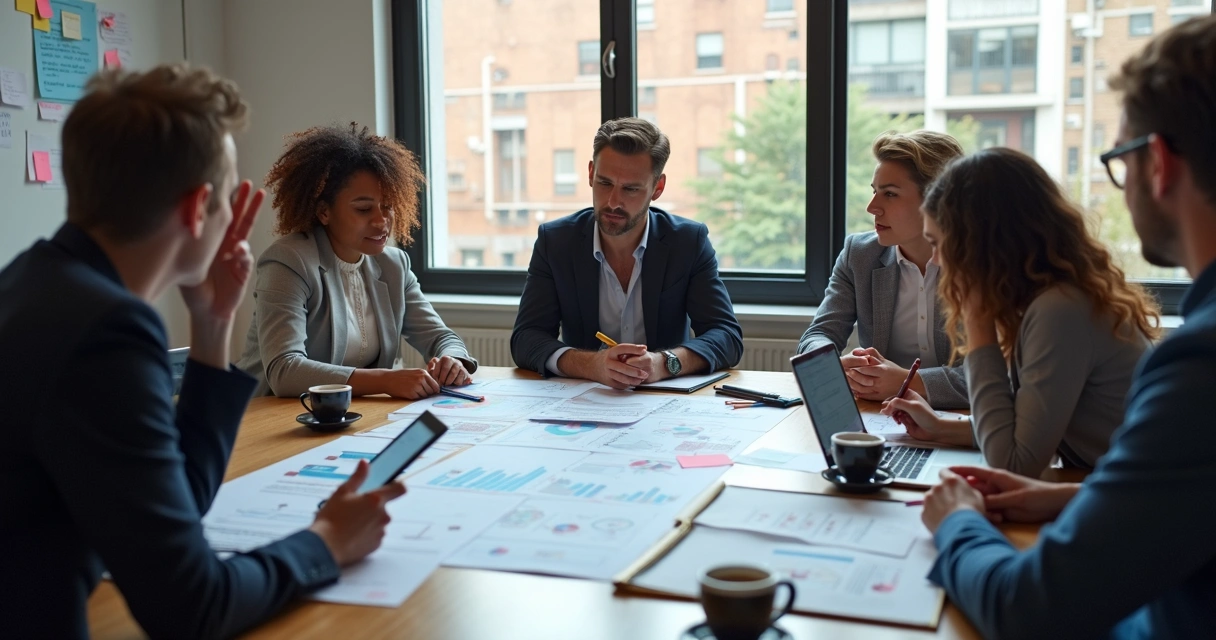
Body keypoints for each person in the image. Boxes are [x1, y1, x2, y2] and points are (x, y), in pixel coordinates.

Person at [0, 65, 405, 639]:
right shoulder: (107, 334)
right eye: (228, 194)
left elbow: (175, 504)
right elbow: (193, 607)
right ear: (197, 211)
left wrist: (212, 325)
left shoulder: (30, 281)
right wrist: (325, 543)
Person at [918, 15, 1216, 638]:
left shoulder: (1196, 360)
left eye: (1118, 158)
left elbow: (1027, 606)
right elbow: (1178, 499)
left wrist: (957, 522)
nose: (938, 263)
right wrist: (1065, 498)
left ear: (1157, 162)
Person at [881, 147, 1158, 477]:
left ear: (981, 244)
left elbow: (1015, 463)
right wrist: (940, 428)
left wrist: (978, 324)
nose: (937, 260)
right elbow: (1026, 431)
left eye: (939, 243)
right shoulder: (1049, 299)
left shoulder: (1060, 311)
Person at [237, 124, 477, 400]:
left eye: (387, 206)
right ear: (324, 212)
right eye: (363, 209)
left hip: (350, 416)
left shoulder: (394, 264)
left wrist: (453, 360)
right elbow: (284, 371)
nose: (381, 221)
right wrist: (385, 380)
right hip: (269, 420)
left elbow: (439, 337)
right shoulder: (289, 262)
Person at [511, 117, 743, 388]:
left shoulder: (688, 242)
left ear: (657, 188)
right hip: (584, 402)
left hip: (664, 402)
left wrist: (664, 363)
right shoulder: (556, 241)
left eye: (630, 189)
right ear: (590, 174)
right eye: (605, 183)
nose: (613, 202)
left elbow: (727, 336)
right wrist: (592, 365)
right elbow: (526, 338)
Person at [798, 131, 969, 409]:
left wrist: (907, 382)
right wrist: (831, 366)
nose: (872, 207)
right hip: (883, 416)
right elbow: (818, 335)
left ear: (939, 200)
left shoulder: (982, 265)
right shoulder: (860, 254)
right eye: (874, 191)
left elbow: (994, 378)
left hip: (965, 422)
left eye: (889, 194)